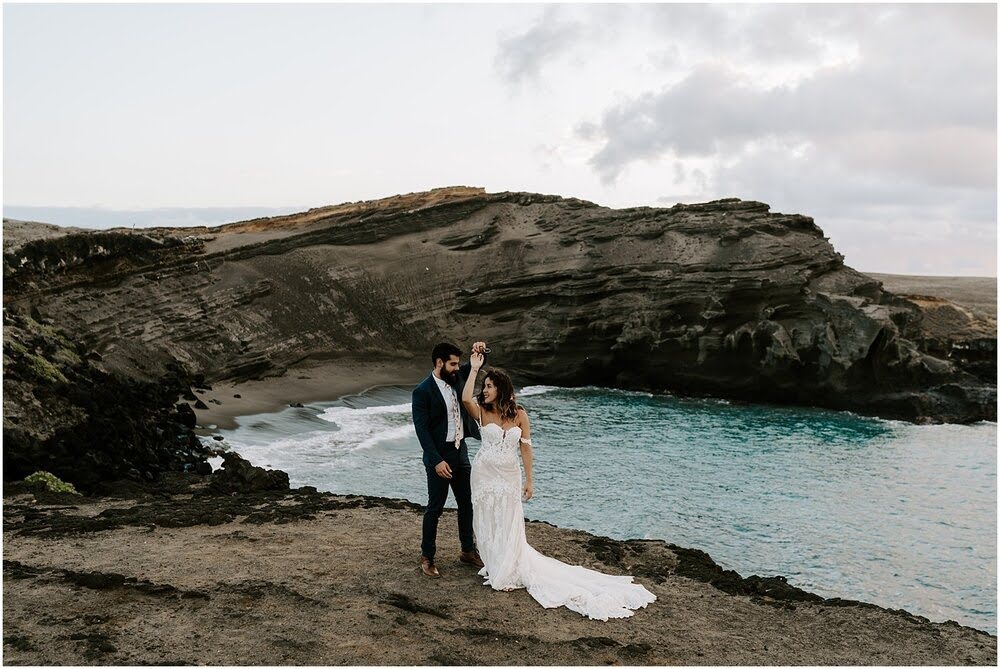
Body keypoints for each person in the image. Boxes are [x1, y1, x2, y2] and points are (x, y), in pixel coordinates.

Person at [461, 350, 657, 620]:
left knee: (509, 519)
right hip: (484, 473)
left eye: (490, 386)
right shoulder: (481, 412)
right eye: (485, 386)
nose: (485, 390)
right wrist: (474, 369)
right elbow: (464, 397)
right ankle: (495, 565)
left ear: (502, 389)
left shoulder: (519, 414)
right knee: (488, 518)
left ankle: (507, 566)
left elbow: (526, 449)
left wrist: (530, 480)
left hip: (509, 474)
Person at [411, 341, 488, 578]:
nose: (457, 367)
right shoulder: (422, 391)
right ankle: (427, 557)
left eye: (458, 363)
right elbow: (421, 431)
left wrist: (482, 349)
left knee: (467, 503)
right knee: (435, 508)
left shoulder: (457, 377)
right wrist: (435, 461)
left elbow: (476, 362)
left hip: (460, 451)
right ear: (439, 363)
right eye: (452, 363)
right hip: (439, 457)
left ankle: (467, 550)